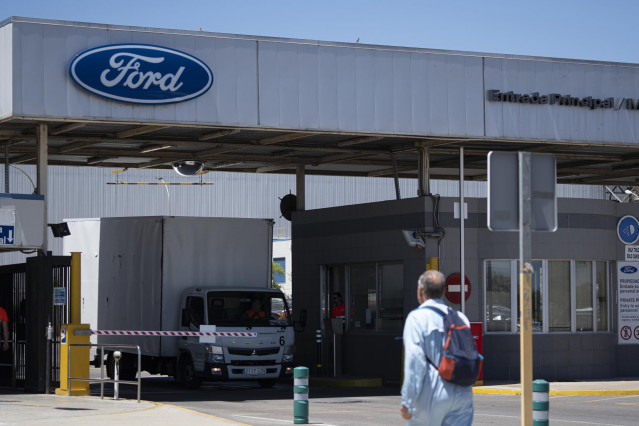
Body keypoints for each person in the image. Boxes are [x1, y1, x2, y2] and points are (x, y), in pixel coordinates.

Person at [400, 270, 474, 425]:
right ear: (444, 292)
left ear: (420, 291)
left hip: (432, 395)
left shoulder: (417, 318)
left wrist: (407, 400)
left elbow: (415, 361)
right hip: (463, 395)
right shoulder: (461, 318)